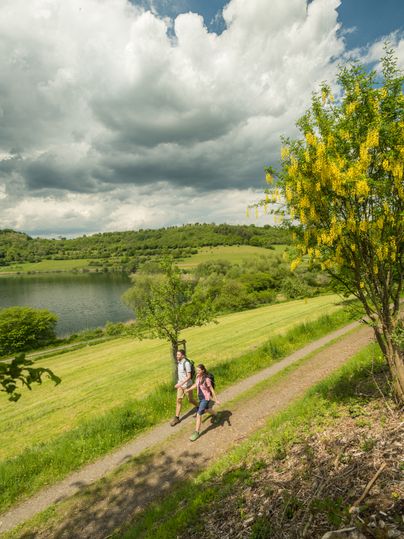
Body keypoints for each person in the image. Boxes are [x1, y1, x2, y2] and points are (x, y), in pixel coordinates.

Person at [186, 363, 220, 442]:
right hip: (200, 398)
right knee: (207, 409)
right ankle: (217, 415)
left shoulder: (207, 379)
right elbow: (196, 384)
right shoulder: (198, 377)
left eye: (198, 370)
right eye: (196, 370)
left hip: (206, 398)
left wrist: (216, 400)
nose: (197, 372)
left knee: (199, 414)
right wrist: (188, 389)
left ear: (203, 370)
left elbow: (211, 390)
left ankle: (196, 432)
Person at [170, 349, 198, 426]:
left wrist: (180, 384)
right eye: (177, 355)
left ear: (183, 355)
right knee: (178, 400)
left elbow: (189, 376)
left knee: (190, 400)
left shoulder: (186, 363)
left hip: (187, 385)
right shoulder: (179, 363)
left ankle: (199, 407)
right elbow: (181, 375)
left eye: (178, 355)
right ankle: (177, 418)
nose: (177, 356)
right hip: (180, 386)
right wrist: (179, 383)